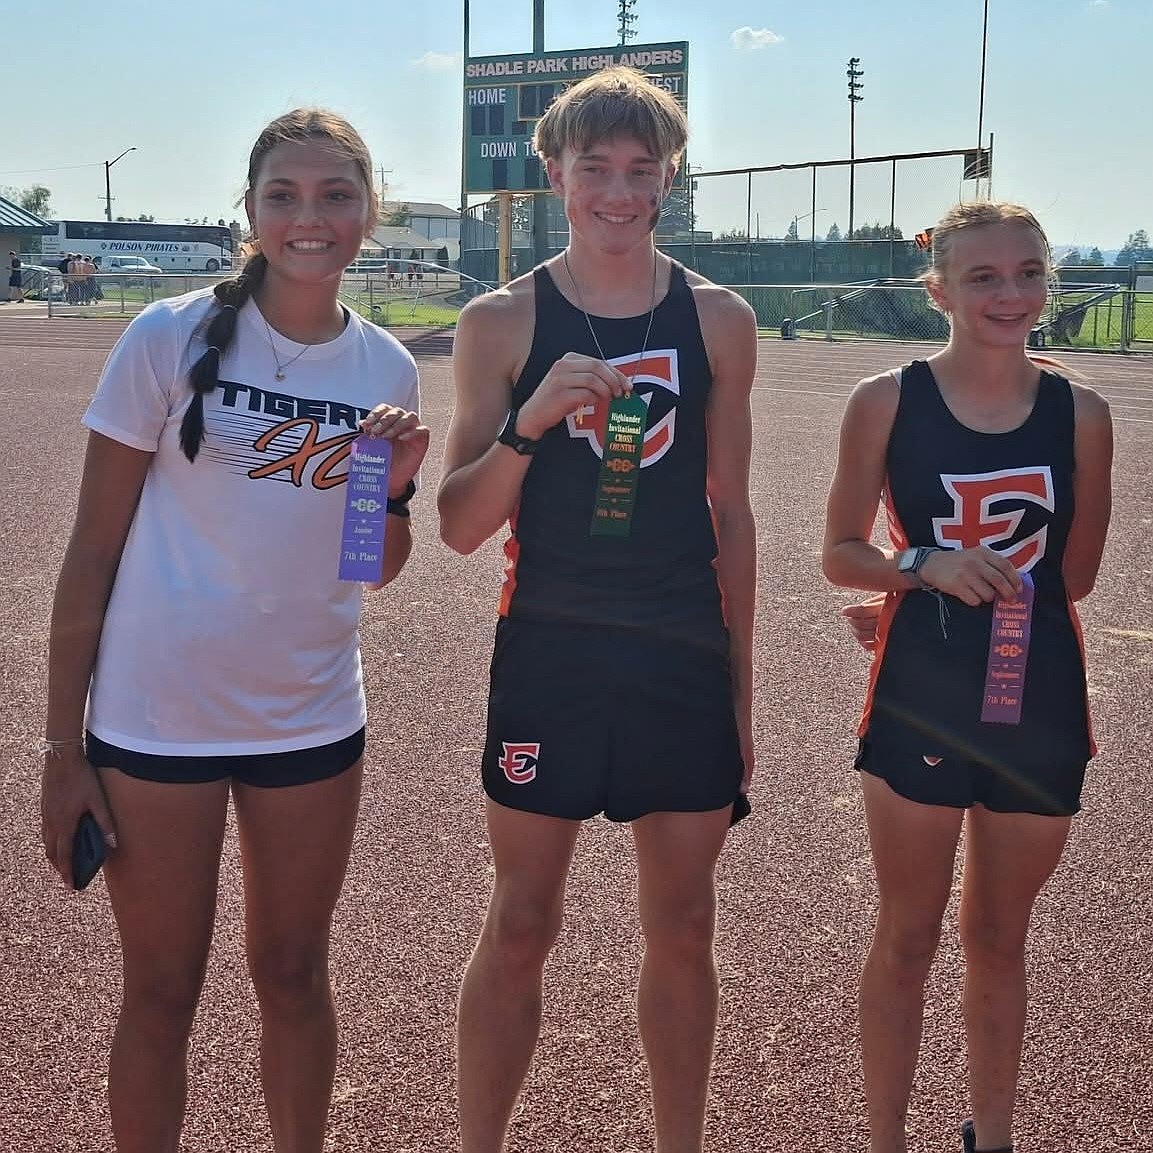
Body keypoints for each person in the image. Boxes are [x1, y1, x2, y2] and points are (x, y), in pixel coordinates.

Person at [39, 107, 429, 1153]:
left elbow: (368, 567)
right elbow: (90, 552)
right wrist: (59, 747)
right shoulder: (164, 337)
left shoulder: (385, 369)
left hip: (308, 715)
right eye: (285, 196)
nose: (311, 218)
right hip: (155, 719)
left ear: (368, 213)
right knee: (162, 989)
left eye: (335, 195)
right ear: (250, 212)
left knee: (295, 974)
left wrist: (389, 494)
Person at [438, 66, 757, 1153]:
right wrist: (530, 419)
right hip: (551, 653)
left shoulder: (717, 318)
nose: (618, 192)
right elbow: (457, 523)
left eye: (640, 170)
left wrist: (740, 687)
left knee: (683, 923)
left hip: (678, 657)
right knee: (522, 920)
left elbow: (734, 515)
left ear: (669, 176)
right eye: (595, 170)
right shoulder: (498, 319)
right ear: (553, 175)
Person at [821, 201, 1113, 1153]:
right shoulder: (885, 400)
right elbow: (839, 551)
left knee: (998, 938)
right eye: (983, 277)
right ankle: (885, 1137)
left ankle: (990, 1134)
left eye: (1028, 272)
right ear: (938, 289)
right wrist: (921, 570)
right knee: (905, 934)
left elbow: (1073, 577)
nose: (1011, 293)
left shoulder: (1085, 413)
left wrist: (987, 584)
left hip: (1040, 700)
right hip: (921, 697)